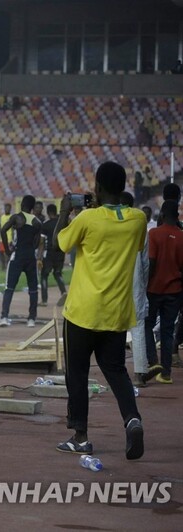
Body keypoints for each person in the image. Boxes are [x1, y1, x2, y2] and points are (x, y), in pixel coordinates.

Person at [53, 161, 145, 460]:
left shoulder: (87, 218)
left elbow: (60, 243)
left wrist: (66, 210)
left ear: (97, 186)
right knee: (116, 371)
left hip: (82, 311)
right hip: (116, 311)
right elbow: (136, 244)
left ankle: (80, 436)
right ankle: (132, 419)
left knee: (77, 373)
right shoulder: (138, 219)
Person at [143, 200, 183, 385]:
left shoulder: (154, 234)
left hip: (154, 289)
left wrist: (146, 284)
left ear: (162, 215)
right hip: (174, 290)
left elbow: (151, 261)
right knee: (167, 331)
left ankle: (153, 362)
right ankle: (166, 373)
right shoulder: (182, 236)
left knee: (146, 325)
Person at [0, 195, 43, 328]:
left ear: (22, 204)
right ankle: (31, 319)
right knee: (33, 289)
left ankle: (4, 317)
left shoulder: (16, 217)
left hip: (17, 256)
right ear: (33, 207)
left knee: (9, 287)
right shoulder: (37, 222)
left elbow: (3, 230)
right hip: (30, 256)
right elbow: (36, 242)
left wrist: (6, 249)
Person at [119, 191, 150, 388]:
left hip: (116, 280)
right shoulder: (140, 223)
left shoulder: (112, 223)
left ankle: (116, 370)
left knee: (115, 325)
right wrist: (143, 284)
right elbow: (146, 260)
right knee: (137, 326)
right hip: (136, 279)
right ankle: (140, 373)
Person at [39, 203, 67, 306]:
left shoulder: (46, 225)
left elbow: (42, 242)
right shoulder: (62, 224)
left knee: (44, 275)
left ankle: (44, 300)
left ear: (48, 212)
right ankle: (63, 292)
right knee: (57, 273)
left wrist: (39, 256)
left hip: (49, 252)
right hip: (60, 252)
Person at [0, 203, 12, 270]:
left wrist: (12, 238)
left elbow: (13, 228)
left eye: (8, 208)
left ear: (10, 209)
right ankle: (3, 266)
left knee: (7, 253)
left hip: (8, 238)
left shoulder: (11, 217)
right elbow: (1, 227)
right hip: (1, 238)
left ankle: (7, 266)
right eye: (6, 208)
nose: (6, 209)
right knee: (1, 253)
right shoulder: (2, 217)